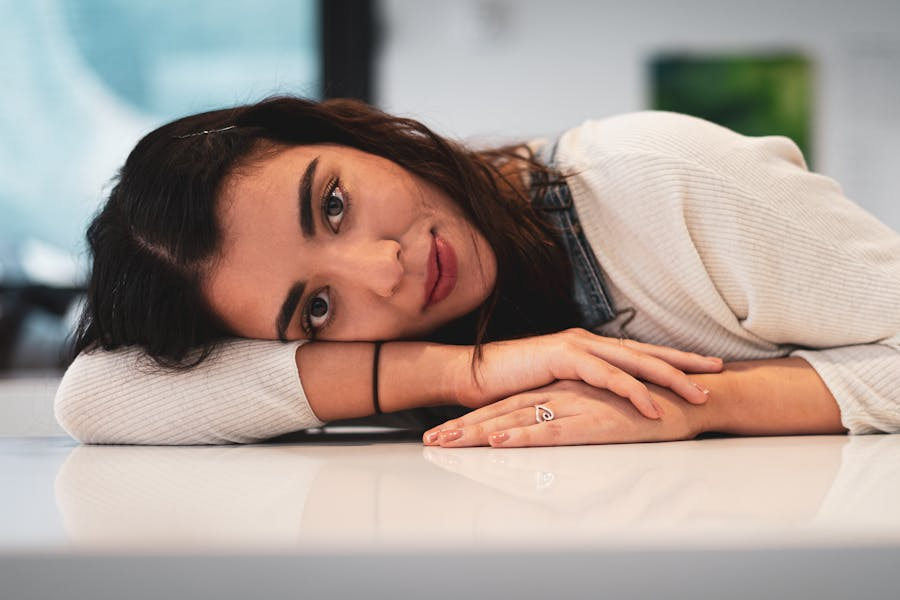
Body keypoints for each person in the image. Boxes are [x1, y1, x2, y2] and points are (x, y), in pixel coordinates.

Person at [54, 96, 900, 446]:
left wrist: (686, 407)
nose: (381, 273)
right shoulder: (440, 348)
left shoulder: (661, 180)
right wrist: (471, 370)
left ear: (352, 136)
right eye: (315, 309)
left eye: (334, 204)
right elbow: (94, 396)